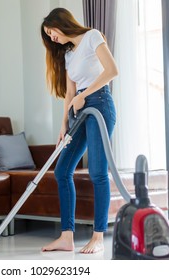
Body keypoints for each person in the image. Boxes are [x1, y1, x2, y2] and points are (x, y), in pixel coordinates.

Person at [40, 8, 118, 254]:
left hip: (99, 106)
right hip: (79, 111)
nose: (51, 37)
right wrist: (63, 124)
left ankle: (98, 237)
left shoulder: (93, 36)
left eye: (51, 31)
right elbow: (70, 93)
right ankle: (66, 237)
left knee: (97, 172)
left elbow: (112, 71)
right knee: (62, 170)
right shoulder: (68, 54)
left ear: (60, 23)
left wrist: (85, 96)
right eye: (48, 35)